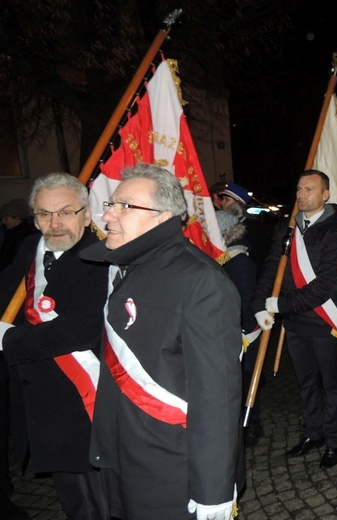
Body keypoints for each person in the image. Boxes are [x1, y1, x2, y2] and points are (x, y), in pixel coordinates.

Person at [79, 163, 245, 519]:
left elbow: (216, 395)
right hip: (124, 452)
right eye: (111, 204)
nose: (108, 215)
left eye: (124, 206)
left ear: (162, 217)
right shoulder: (125, 267)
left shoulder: (201, 282)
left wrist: (213, 489)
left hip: (172, 465)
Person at [0, 172, 109, 520]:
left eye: (65, 212)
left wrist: (8, 339)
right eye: (44, 214)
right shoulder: (27, 251)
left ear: (87, 214)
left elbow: (81, 329)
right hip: (41, 403)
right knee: (74, 502)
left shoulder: (100, 257)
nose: (55, 223)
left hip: (85, 399)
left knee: (105, 500)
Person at [251, 169, 337, 469]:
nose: (301, 194)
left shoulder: (335, 232)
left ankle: (334, 441)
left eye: (309, 189)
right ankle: (313, 433)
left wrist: (282, 304)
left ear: (325, 195)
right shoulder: (287, 227)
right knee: (306, 384)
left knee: (332, 385)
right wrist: (259, 305)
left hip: (323, 324)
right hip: (294, 323)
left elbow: (326, 285)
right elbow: (271, 267)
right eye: (299, 188)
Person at [215, 209, 264, 446]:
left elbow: (246, 301)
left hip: (244, 336)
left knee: (245, 385)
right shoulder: (222, 259)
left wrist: (242, 333)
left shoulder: (240, 261)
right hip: (229, 333)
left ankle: (250, 426)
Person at [217, 181, 268, 277]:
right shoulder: (224, 223)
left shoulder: (252, 226)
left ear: (237, 204)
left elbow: (259, 257)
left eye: (227, 200)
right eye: (223, 199)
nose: (222, 203)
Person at [0, 199, 38, 272]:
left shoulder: (24, 237)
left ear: (16, 217)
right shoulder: (11, 233)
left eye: (6, 218)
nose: (3, 222)